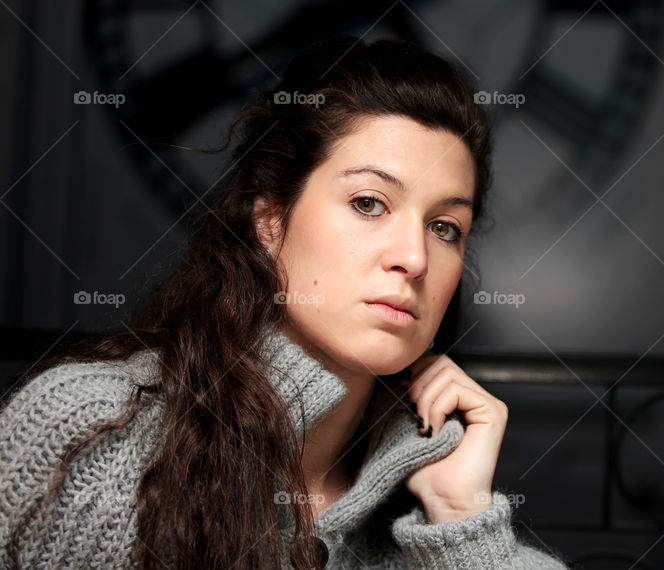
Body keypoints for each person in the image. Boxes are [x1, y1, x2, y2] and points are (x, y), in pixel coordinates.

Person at [0, 37, 567, 569]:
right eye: (369, 203)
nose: (414, 258)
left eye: (445, 227)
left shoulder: (442, 504)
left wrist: (463, 520)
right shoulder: (90, 438)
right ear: (270, 222)